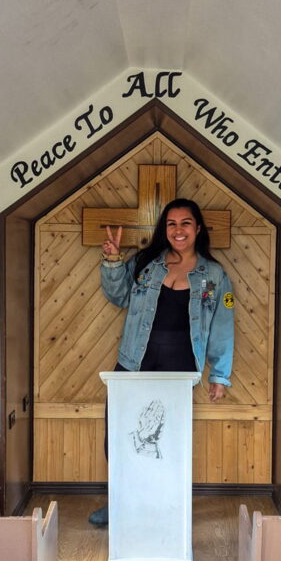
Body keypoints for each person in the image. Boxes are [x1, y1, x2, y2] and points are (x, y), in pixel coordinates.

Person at [89, 198, 235, 526]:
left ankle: (165, 505)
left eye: (185, 223)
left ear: (198, 228)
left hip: (179, 371)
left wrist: (220, 375)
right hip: (133, 362)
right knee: (119, 434)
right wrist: (112, 261)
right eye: (171, 224)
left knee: (167, 438)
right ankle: (120, 503)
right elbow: (119, 295)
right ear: (164, 229)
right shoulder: (147, 263)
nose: (178, 230)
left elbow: (224, 324)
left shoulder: (215, 276)